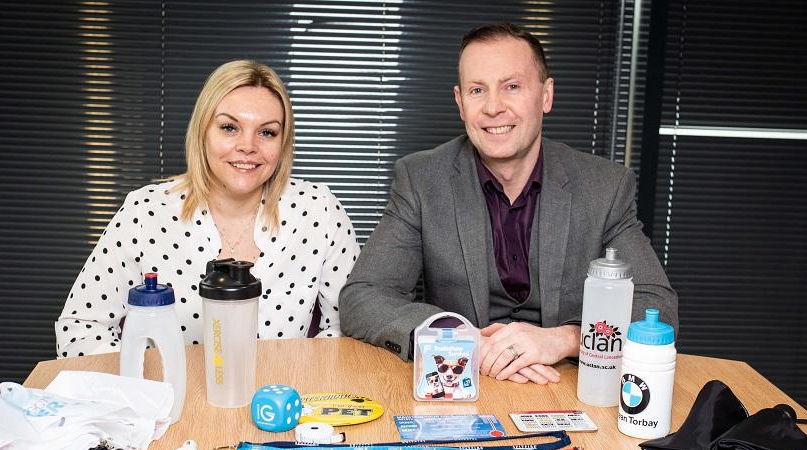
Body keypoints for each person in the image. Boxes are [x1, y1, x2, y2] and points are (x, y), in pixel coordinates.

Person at [339, 23, 676, 385]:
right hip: (461, 384)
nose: (493, 107)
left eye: (512, 87)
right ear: (460, 102)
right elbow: (364, 297)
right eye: (477, 90)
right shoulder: (421, 179)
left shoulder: (605, 186)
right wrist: (458, 339)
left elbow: (657, 307)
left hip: (566, 385)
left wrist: (565, 340)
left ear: (546, 95)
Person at [56, 60, 360, 357]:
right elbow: (80, 330)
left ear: (284, 143)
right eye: (229, 128)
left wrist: (300, 385)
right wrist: (146, 389)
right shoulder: (144, 211)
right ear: (203, 132)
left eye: (267, 132)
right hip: (172, 402)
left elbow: (350, 329)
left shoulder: (319, 210)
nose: (248, 146)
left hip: (283, 402)